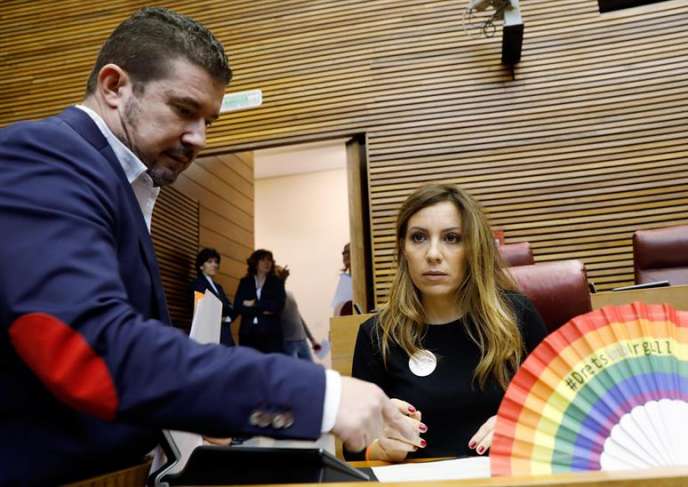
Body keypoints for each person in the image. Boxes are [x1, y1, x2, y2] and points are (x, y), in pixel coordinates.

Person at [0, 8, 417, 485]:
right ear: (114, 86)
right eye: (184, 110)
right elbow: (89, 350)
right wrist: (323, 397)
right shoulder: (42, 156)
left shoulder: (117, 180)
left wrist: (197, 412)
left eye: (209, 121)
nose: (199, 138)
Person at [351, 183, 548, 461]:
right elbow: (355, 448)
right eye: (418, 238)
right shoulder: (377, 335)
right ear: (403, 249)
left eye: (452, 238)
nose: (433, 254)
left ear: (473, 249)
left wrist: (526, 426)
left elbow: (564, 412)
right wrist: (380, 445)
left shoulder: (517, 316)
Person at [234, 249, 287, 354]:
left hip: (271, 335)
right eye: (263, 260)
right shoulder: (245, 282)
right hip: (248, 334)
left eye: (269, 260)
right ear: (255, 263)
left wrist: (253, 304)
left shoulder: (276, 282)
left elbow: (278, 305)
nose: (267, 263)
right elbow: (238, 305)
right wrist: (264, 309)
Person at [193, 247, 238, 346]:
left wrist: (226, 318)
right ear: (201, 266)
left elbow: (231, 309)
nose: (214, 265)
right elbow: (203, 309)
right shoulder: (197, 284)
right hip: (209, 334)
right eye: (210, 262)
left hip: (224, 333)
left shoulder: (218, 287)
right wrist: (223, 310)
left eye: (216, 262)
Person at [332, 242, 355, 315]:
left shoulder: (362, 280)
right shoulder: (345, 279)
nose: (346, 255)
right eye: (344, 253)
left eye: (348, 252)